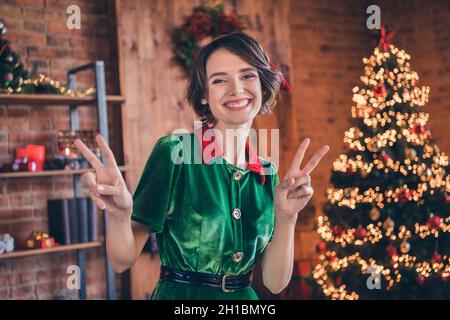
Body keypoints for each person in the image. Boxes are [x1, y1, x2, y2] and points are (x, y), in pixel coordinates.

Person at [74, 32, 329, 300]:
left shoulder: (267, 174)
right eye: (220, 80)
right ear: (204, 95)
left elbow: (275, 283)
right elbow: (121, 260)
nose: (236, 89)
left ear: (263, 85)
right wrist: (118, 215)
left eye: (247, 75)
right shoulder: (175, 151)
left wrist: (288, 218)